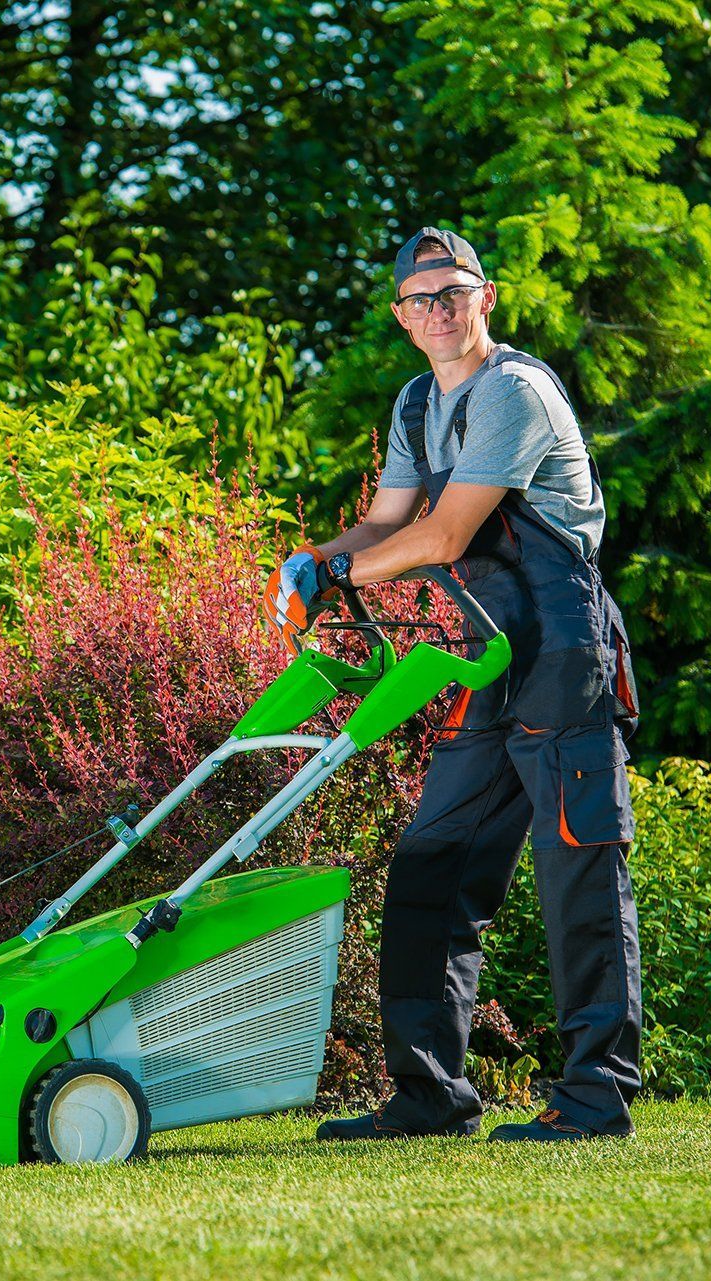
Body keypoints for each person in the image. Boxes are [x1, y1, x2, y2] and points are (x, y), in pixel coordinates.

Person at [265, 227, 643, 1142]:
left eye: (454, 291)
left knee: (577, 868)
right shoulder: (414, 404)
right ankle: (430, 1092)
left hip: (564, 656)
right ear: (401, 317)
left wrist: (348, 579)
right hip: (492, 658)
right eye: (421, 297)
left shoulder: (514, 390)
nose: (438, 308)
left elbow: (440, 538)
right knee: (434, 861)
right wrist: (312, 560)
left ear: (488, 298)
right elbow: (387, 521)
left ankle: (595, 1100)